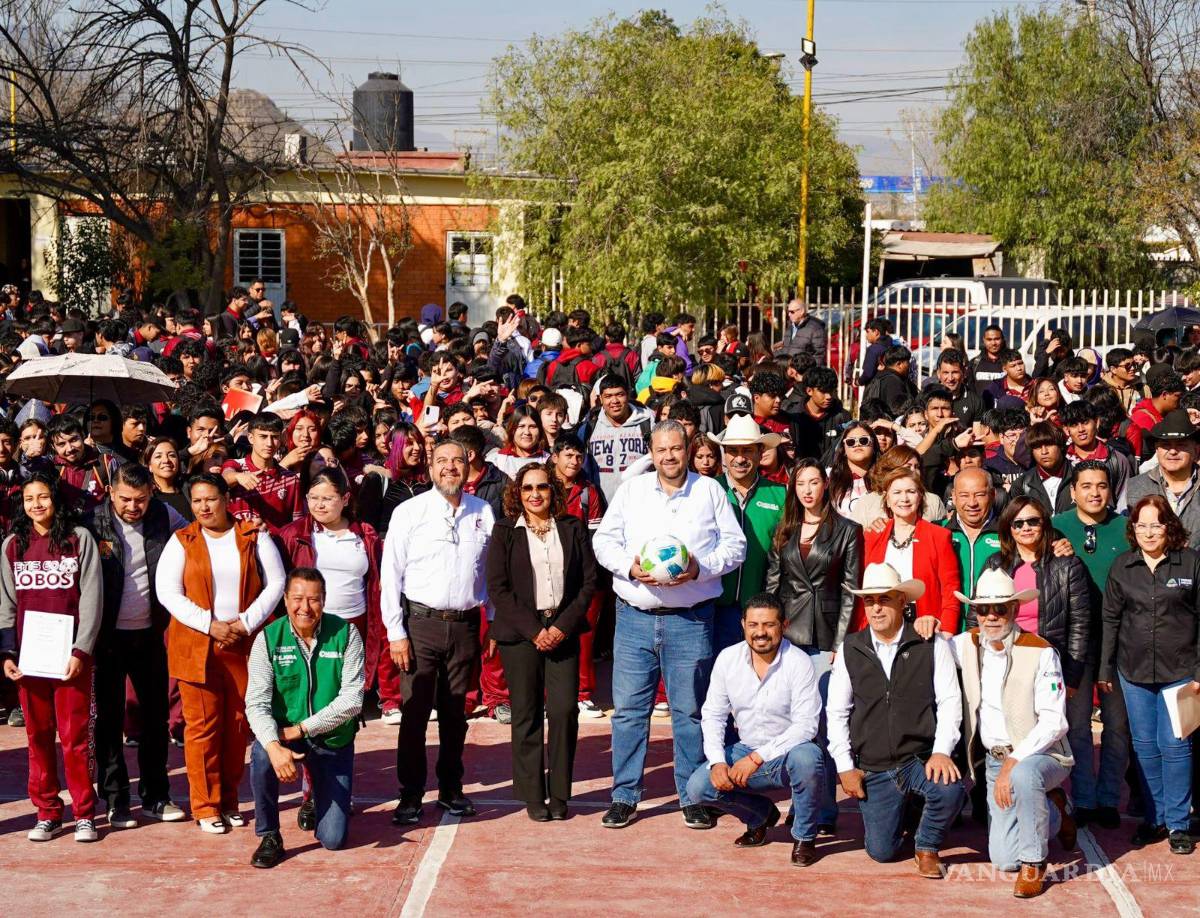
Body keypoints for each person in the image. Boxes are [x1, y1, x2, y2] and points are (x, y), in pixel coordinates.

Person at [593, 420, 747, 830]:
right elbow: (603, 541)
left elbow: (736, 547)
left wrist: (700, 568)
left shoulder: (710, 490)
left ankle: (691, 796)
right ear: (652, 451)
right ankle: (624, 795)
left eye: (677, 448)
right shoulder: (632, 491)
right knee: (628, 712)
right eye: (661, 450)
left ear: (688, 448)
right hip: (634, 619)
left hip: (691, 621)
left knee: (690, 713)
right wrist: (630, 568)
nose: (670, 457)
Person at [154, 472, 287, 834]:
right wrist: (209, 624)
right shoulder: (181, 541)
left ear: (226, 499)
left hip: (244, 643)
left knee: (237, 725)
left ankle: (229, 800)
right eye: (196, 501)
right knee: (201, 728)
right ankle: (205, 805)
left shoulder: (252, 535)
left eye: (210, 499)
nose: (203, 507)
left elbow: (276, 583)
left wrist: (246, 622)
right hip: (198, 645)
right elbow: (167, 592)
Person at [382, 439, 495, 825]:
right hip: (419, 626)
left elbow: (491, 574)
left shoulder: (484, 512)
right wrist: (395, 631)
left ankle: (451, 789)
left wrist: (492, 621)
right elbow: (390, 575)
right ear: (430, 468)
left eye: (457, 461)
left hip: (464, 626)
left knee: (455, 715)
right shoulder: (408, 512)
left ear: (469, 466)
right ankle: (410, 795)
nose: (450, 467)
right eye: (442, 461)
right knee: (414, 715)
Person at [828, 563, 965, 877]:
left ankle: (926, 845)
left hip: (917, 758)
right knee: (882, 852)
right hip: (874, 765)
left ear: (903, 601)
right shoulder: (850, 647)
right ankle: (907, 812)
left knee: (949, 790)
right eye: (870, 601)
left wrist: (942, 750)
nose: (876, 608)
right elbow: (836, 712)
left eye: (885, 599)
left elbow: (949, 701)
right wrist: (845, 767)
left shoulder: (932, 643)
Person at [947, 568, 1076, 898]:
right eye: (983, 609)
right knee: (1004, 860)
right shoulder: (967, 644)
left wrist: (1015, 762)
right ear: (974, 612)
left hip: (1042, 756)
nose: (991, 617)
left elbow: (1054, 722)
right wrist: (927, 626)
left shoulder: (1041, 651)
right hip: (994, 762)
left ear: (1016, 609)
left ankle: (1035, 863)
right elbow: (932, 648)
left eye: (1000, 608)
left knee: (1024, 776)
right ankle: (1055, 812)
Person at [486, 463, 596, 821]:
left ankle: (560, 792)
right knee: (527, 713)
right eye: (528, 488)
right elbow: (498, 589)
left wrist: (561, 626)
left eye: (543, 487)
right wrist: (534, 630)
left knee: (564, 710)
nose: (536, 494)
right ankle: (533, 794)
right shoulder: (504, 531)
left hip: (562, 629)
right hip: (521, 635)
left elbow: (588, 583)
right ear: (518, 493)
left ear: (554, 491)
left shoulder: (573, 528)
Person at [278, 465, 386, 825]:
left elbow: (379, 582)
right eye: (313, 498)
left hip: (352, 630)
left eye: (327, 498)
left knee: (345, 713)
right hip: (309, 631)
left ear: (345, 499)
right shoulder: (295, 535)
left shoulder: (365, 536)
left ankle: (339, 788)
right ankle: (311, 793)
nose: (320, 505)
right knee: (311, 709)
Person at [0, 472, 104, 843]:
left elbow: (92, 598)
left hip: (71, 658)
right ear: (22, 504)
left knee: (75, 738)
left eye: (43, 497)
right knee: (37, 736)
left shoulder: (80, 540)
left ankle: (84, 813)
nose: (37, 505)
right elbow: (6, 603)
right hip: (30, 660)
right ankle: (46, 811)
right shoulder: (13, 545)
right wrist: (7, 652)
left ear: (56, 500)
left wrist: (82, 649)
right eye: (30, 499)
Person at [685, 594, 826, 866]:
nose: (760, 633)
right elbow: (713, 715)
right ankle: (759, 816)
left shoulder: (798, 662)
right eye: (753, 625)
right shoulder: (728, 659)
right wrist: (716, 761)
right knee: (698, 787)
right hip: (745, 747)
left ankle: (804, 838)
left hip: (788, 753)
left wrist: (756, 758)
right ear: (743, 625)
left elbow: (806, 725)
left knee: (809, 759)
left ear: (784, 625)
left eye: (769, 625)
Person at [1100, 494, 1200, 855]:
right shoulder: (1121, 566)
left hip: (1181, 672)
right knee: (1143, 747)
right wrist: (1105, 669)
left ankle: (1178, 823)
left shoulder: (1190, 563)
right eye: (1141, 524)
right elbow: (1110, 620)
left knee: (1175, 746)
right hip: (1133, 670)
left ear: (1168, 526)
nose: (1148, 531)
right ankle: (1154, 818)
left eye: (1155, 524)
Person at [765, 458, 861, 832]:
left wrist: (840, 642)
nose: (807, 490)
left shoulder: (847, 531)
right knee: (791, 723)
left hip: (825, 638)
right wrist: (768, 638)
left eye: (814, 482)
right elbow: (773, 588)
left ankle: (822, 811)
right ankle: (800, 803)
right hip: (787, 637)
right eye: (800, 483)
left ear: (826, 485)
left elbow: (851, 591)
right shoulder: (784, 530)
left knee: (821, 725)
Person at [90, 462, 188, 828]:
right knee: (110, 721)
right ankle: (115, 801)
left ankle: (156, 796)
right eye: (126, 499)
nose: (133, 507)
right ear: (111, 493)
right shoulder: (92, 522)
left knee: (154, 719)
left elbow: (199, 537)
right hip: (106, 637)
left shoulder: (166, 515)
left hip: (150, 633)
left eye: (141, 500)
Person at [245, 568, 365, 867]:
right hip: (285, 738)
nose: (305, 607)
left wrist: (301, 729)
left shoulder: (346, 634)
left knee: (333, 839)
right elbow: (256, 703)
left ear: (324, 601)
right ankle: (270, 835)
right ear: (285, 600)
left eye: (314, 599)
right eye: (297, 598)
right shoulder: (268, 639)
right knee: (261, 755)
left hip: (331, 739)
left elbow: (352, 701)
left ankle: (314, 797)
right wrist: (274, 746)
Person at [1050, 460, 1131, 830]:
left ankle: (1108, 798)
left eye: (1102, 485)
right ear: (1073, 491)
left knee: (1117, 725)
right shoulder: (1056, 527)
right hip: (1075, 645)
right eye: (1086, 486)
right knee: (1078, 725)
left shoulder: (1126, 527)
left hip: (1121, 643)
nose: (1094, 492)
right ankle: (1083, 798)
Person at [709, 416, 787, 651]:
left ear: (760, 452)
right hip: (712, 607)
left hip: (760, 613)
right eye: (733, 451)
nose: (740, 458)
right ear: (724, 453)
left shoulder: (779, 494)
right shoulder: (709, 489)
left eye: (748, 450)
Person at [858, 467, 961, 633]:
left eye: (911, 491)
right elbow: (862, 587)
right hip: (880, 625)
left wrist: (947, 630)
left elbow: (950, 589)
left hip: (925, 627)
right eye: (897, 492)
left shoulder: (939, 536)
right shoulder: (873, 535)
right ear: (887, 498)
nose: (904, 499)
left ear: (920, 496)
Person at [221, 413, 303, 535]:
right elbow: (224, 478)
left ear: (282, 438)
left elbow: (297, 525)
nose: (269, 443)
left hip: (278, 548)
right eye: (263, 436)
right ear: (250, 438)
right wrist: (238, 477)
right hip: (241, 546)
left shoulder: (291, 480)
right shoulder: (236, 465)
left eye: (274, 437)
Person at [1126, 410, 1200, 547]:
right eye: (1166, 445)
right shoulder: (1133, 487)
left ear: (1196, 450)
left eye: (1181, 444)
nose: (1172, 451)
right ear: (1156, 449)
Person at [1009, 421, 1073, 514]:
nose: (1044, 452)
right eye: (1037, 447)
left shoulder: (1080, 476)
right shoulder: (1021, 485)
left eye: (1049, 445)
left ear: (1061, 446)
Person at [829, 422, 878, 520]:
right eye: (851, 442)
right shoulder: (828, 477)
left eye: (864, 440)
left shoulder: (887, 477)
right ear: (844, 449)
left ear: (874, 446)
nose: (857, 444)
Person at [143, 437, 193, 521]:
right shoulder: (146, 497)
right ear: (149, 466)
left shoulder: (190, 490)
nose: (166, 460)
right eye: (158, 456)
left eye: (172, 455)